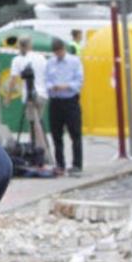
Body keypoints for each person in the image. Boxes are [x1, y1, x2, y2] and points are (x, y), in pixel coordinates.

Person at [45, 38, 84, 176]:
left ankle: (77, 164)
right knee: (56, 135)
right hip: (56, 101)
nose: (58, 55)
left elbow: (79, 81)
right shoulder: (50, 63)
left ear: (64, 49)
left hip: (70, 100)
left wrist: (66, 86)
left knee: (75, 133)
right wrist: (52, 87)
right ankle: (60, 164)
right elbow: (46, 80)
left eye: (59, 52)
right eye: (56, 52)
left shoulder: (74, 61)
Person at [7, 35, 49, 154]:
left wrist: (8, 96)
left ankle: (41, 148)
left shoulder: (18, 60)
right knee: (37, 120)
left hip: (30, 96)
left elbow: (13, 80)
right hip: (43, 94)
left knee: (34, 123)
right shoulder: (41, 57)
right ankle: (35, 147)